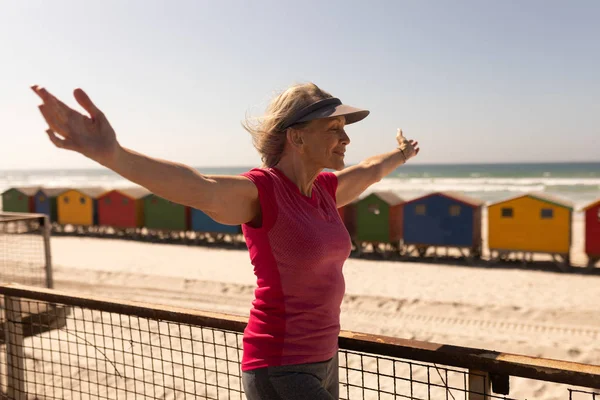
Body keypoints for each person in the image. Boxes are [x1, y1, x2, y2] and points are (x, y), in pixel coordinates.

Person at [31, 82, 419, 399]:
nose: (346, 138)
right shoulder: (262, 193)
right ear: (296, 137)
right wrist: (113, 154)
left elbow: (370, 170)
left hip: (325, 359)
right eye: (333, 128)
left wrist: (401, 154)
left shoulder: (324, 191)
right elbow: (197, 188)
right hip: (281, 367)